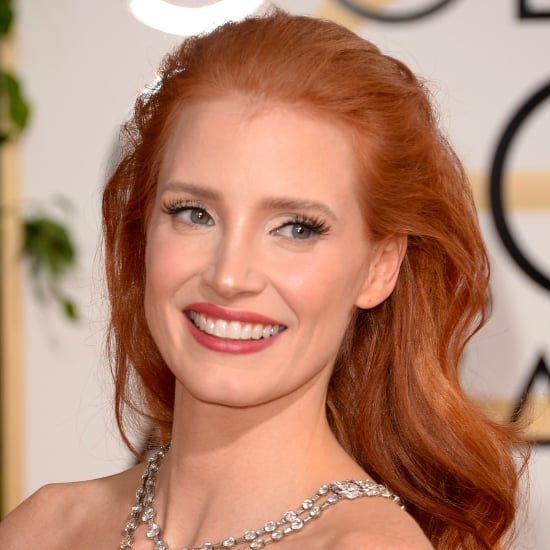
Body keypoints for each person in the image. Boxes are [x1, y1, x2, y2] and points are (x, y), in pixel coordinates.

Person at [0, 9, 527, 549]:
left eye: (296, 228)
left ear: (380, 267)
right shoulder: (45, 527)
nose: (229, 276)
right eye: (194, 213)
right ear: (143, 231)